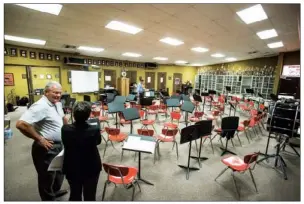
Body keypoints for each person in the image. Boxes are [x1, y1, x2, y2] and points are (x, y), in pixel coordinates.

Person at [16, 81, 68, 201]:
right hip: (47, 148)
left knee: (59, 172)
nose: (58, 95)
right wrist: (40, 139)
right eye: (55, 92)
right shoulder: (40, 106)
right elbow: (21, 124)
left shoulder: (57, 103)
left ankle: (54, 191)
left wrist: (67, 130)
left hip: (60, 145)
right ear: (46, 92)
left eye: (60, 93)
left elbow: (62, 118)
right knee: (47, 176)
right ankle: (47, 199)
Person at [61, 101, 102, 201]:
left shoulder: (65, 129)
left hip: (72, 167)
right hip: (91, 166)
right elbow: (98, 142)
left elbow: (65, 141)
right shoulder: (95, 128)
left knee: (75, 194)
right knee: (90, 195)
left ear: (73, 115)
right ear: (88, 116)